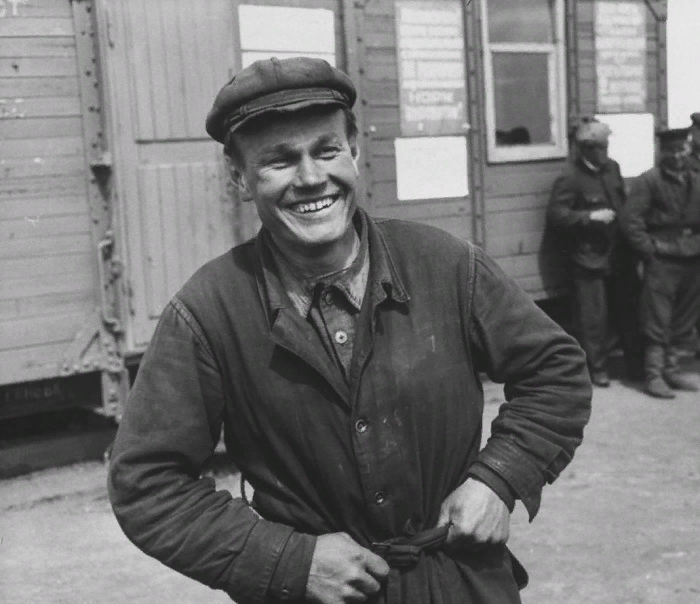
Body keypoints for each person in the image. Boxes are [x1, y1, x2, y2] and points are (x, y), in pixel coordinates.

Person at [108, 57, 592, 603]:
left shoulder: (446, 265)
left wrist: (498, 479)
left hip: (459, 582)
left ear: (355, 151)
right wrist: (289, 562)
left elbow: (555, 371)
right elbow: (147, 485)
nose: (311, 178)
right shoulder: (208, 311)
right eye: (279, 161)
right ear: (239, 177)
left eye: (327, 150)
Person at [547, 118, 642, 387]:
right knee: (593, 318)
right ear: (585, 149)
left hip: (618, 254)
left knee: (628, 310)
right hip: (588, 257)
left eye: (606, 146)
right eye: (599, 147)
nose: (604, 152)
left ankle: (636, 366)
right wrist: (589, 217)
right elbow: (556, 215)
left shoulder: (612, 168)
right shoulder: (570, 178)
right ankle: (598, 368)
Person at [620, 127, 700, 399]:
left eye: (682, 149)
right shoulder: (649, 181)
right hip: (662, 258)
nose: (678, 156)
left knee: (684, 317)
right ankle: (653, 375)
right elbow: (630, 221)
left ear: (688, 149)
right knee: (658, 318)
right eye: (671, 151)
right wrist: (649, 251)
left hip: (692, 257)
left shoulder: (695, 179)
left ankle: (671, 369)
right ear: (662, 152)